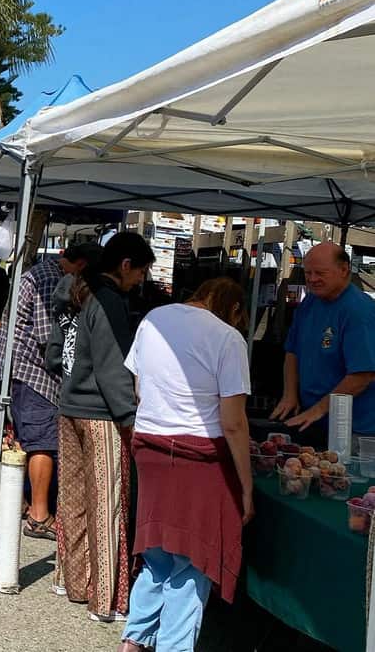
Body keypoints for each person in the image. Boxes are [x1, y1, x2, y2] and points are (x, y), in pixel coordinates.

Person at [120, 277, 253, 652]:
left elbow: (139, 390)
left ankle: (134, 640)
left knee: (157, 554)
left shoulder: (153, 320)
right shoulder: (229, 338)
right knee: (193, 561)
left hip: (150, 447)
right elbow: (233, 421)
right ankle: (173, 646)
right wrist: (246, 486)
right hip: (199, 459)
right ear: (235, 309)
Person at [53, 231, 155, 625]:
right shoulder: (110, 300)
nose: (143, 279)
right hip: (100, 414)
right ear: (126, 265)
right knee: (107, 505)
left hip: (72, 405)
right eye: (142, 270)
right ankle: (105, 600)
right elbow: (114, 369)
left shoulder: (83, 292)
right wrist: (130, 420)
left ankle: (73, 581)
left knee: (74, 501)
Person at [0, 243, 98, 541]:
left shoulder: (39, 272)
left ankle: (24, 503)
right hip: (32, 372)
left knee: (28, 438)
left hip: (17, 368)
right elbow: (47, 335)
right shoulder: (51, 279)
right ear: (78, 263)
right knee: (43, 442)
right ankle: (40, 516)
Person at [272, 241, 375, 440]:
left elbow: (362, 375)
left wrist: (317, 410)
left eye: (320, 273)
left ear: (344, 270)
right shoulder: (309, 303)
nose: (312, 279)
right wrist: (290, 394)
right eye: (308, 273)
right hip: (313, 421)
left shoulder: (359, 311)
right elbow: (292, 352)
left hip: (356, 429)